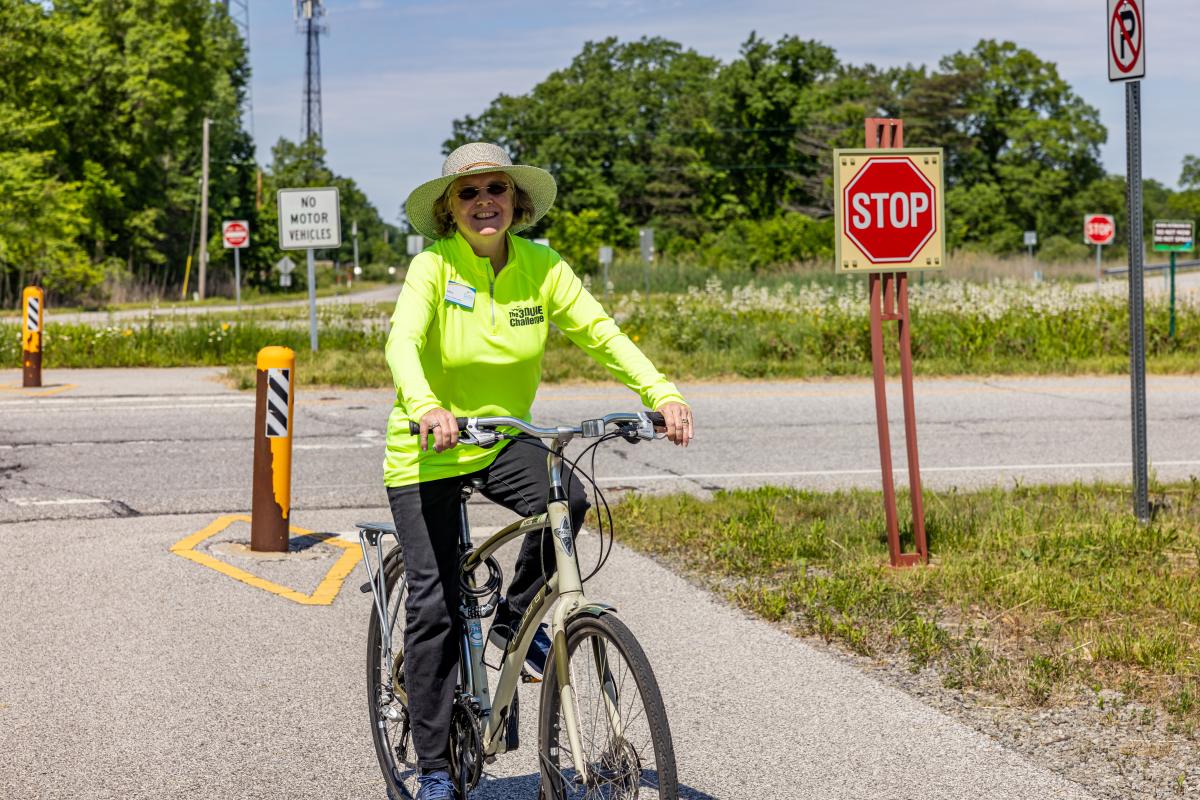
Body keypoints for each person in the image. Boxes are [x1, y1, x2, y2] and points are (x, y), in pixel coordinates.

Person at [385, 142, 693, 800]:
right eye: (468, 194)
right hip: (427, 444)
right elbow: (402, 342)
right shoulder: (433, 269)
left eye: (495, 188)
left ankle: (512, 621)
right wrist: (429, 406)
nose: (484, 201)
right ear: (450, 210)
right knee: (435, 605)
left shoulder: (543, 267)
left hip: (500, 437)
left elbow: (600, 332)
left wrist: (659, 392)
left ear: (516, 200)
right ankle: (436, 767)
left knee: (570, 499)